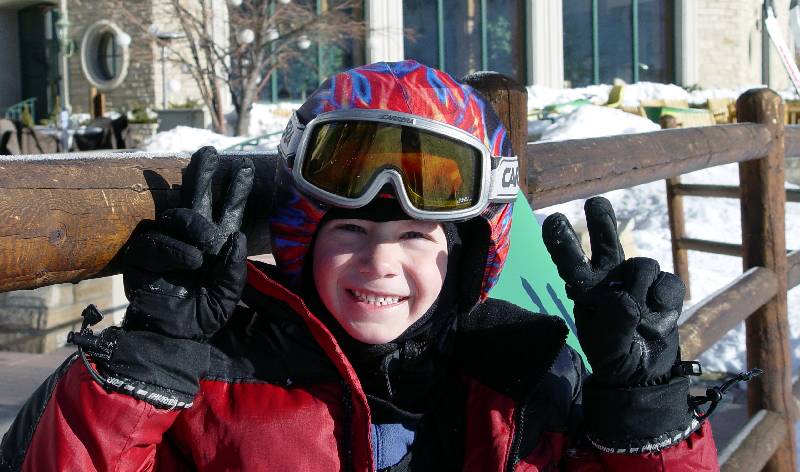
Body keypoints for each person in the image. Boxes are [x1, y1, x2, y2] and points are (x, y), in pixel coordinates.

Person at [0, 61, 719, 471]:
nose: (379, 263)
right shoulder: (218, 381)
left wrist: (642, 410)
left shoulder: (522, 380)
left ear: (464, 256)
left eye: (415, 236)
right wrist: (150, 360)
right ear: (302, 238)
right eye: (349, 229)